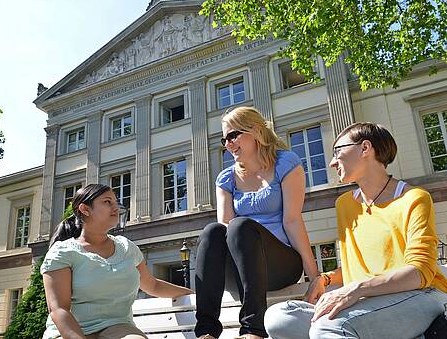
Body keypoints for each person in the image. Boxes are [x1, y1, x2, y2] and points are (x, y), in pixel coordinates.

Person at [265, 122, 447, 339]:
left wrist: (355, 290)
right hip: (368, 300)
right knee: (278, 318)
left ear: (365, 148)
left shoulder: (413, 199)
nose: (332, 162)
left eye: (337, 151)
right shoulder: (345, 204)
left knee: (331, 327)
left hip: (421, 296)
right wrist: (326, 279)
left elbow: (420, 272)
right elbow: (360, 265)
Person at [195, 106, 320, 339]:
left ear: (255, 131)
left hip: (281, 265)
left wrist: (314, 276)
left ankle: (253, 329)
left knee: (241, 226)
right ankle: (206, 331)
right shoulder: (226, 178)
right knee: (213, 230)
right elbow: (224, 229)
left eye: (233, 135)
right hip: (241, 273)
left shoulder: (286, 163)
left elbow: (292, 220)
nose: (228, 144)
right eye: (225, 140)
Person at [41, 184, 193, 339]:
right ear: (85, 209)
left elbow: (153, 285)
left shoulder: (126, 247)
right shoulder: (62, 252)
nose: (116, 208)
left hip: (118, 328)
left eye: (116, 202)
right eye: (107, 202)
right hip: (70, 332)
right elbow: (59, 309)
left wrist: (193, 294)